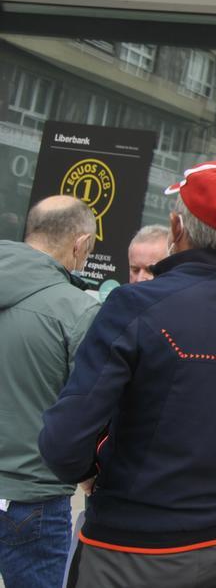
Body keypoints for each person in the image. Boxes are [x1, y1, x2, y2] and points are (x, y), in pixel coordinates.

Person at [39, 161, 216, 588]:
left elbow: (63, 441)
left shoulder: (135, 306)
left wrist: (93, 471)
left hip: (132, 547)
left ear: (176, 226)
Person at [0, 196, 98, 588]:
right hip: (34, 496)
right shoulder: (77, 311)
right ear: (80, 244)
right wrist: (90, 470)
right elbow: (87, 411)